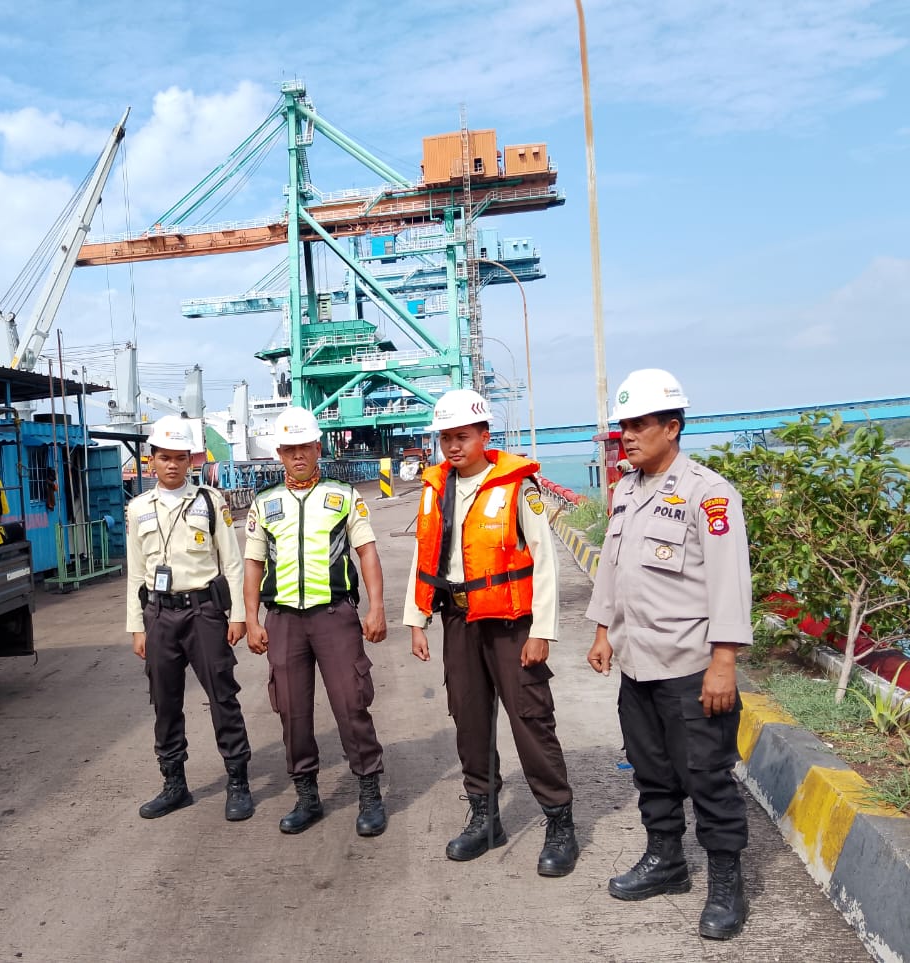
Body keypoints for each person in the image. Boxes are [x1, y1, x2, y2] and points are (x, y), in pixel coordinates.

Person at [585, 368, 752, 940]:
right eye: (624, 426)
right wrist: (603, 631)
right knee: (651, 771)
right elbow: (613, 569)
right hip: (637, 662)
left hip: (690, 666)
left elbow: (729, 583)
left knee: (707, 777)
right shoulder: (627, 490)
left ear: (672, 427)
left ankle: (726, 883)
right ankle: (667, 861)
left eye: (639, 425)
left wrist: (723, 662)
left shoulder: (709, 494)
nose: (627, 435)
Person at [403, 388, 579, 875]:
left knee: (530, 720)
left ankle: (559, 823)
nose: (452, 446)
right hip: (458, 619)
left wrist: (542, 630)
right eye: (446, 438)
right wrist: (417, 619)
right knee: (470, 720)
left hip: (510, 624)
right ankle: (485, 818)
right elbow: (424, 555)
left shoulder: (518, 487)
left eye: (462, 436)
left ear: (484, 435)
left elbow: (544, 560)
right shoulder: (436, 488)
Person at [243, 406, 389, 838]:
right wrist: (251, 619)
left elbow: (366, 551)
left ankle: (369, 792)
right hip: (283, 620)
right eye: (289, 449)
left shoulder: (343, 496)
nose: (297, 455)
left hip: (333, 616)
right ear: (279, 454)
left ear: (318, 448)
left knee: (351, 703)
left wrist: (377, 607)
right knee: (291, 710)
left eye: (304, 447)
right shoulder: (264, 502)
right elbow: (253, 564)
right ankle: (307, 795)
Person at [125, 415, 254, 822]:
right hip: (159, 615)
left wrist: (237, 616)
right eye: (165, 457)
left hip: (204, 613)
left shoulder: (210, 502)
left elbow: (232, 563)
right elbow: (135, 572)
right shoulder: (138, 509)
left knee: (222, 696)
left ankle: (238, 782)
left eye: (180, 458)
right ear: (151, 460)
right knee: (165, 702)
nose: (172, 465)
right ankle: (174, 785)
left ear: (191, 461)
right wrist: (136, 626)